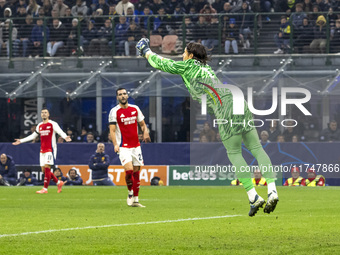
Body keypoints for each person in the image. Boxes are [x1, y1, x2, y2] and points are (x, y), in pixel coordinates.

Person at [136, 39, 279, 216]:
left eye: (184, 53)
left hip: (224, 107)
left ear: (190, 56)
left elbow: (162, 63)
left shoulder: (188, 66)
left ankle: (253, 197)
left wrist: (146, 51)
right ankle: (272, 190)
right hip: (238, 100)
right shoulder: (207, 69)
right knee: (257, 148)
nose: (182, 56)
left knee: (234, 153)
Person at [12, 108, 71, 194]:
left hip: (50, 149)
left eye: (45, 112)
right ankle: (59, 183)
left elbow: (60, 131)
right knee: (44, 171)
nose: (43, 114)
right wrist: (21, 141)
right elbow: (33, 136)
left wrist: (65, 137)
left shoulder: (53, 124)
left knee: (47, 168)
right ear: (40, 115)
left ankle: (45, 189)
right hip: (42, 150)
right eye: (42, 113)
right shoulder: (39, 125)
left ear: (48, 114)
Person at [109, 88, 151, 207]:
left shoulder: (135, 109)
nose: (123, 96)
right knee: (129, 171)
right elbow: (112, 131)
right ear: (117, 97)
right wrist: (115, 144)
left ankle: (136, 200)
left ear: (127, 96)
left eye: (124, 94)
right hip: (123, 146)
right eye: (120, 94)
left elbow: (143, 125)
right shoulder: (114, 112)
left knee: (137, 172)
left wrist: (145, 132)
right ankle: (130, 192)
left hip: (136, 146)